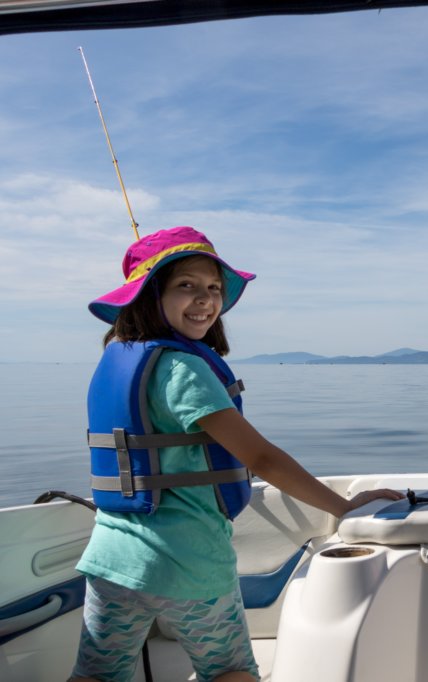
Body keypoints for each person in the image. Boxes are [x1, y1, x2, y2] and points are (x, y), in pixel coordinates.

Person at [71, 226, 402, 682]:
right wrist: (343, 506)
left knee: (96, 676)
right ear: (149, 295)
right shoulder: (183, 369)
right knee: (229, 673)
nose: (206, 299)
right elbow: (260, 459)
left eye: (213, 288)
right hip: (191, 565)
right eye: (186, 285)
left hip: (113, 562)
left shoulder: (118, 358)